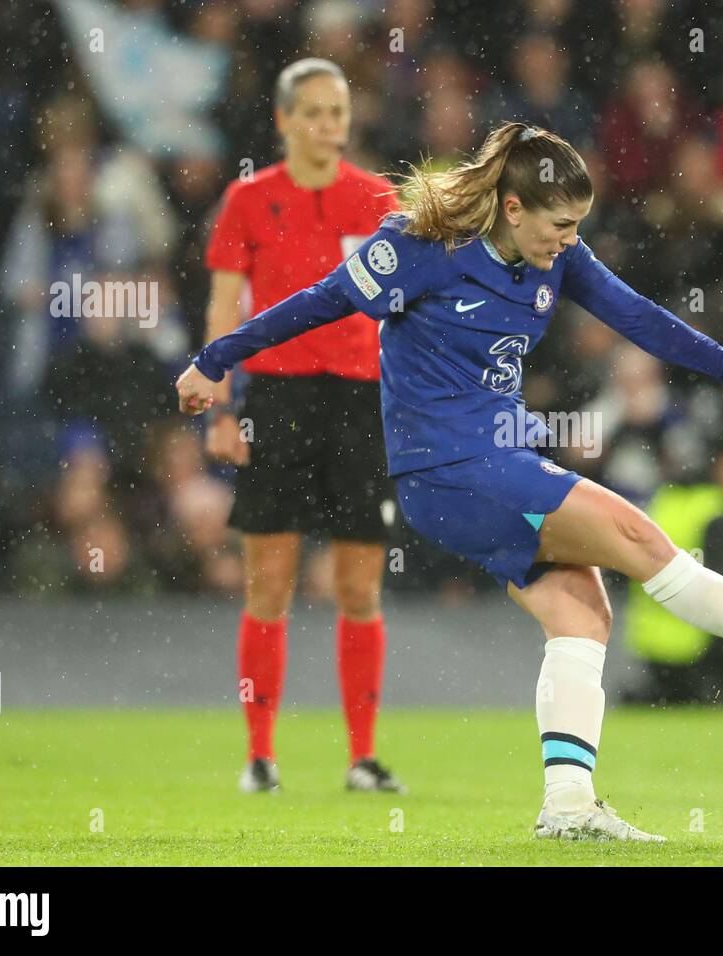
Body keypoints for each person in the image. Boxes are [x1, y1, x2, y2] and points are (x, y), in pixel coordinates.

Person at [176, 122, 723, 842]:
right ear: (512, 207)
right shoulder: (420, 248)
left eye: (577, 225)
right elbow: (319, 302)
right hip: (449, 469)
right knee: (637, 535)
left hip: (491, 467)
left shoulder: (557, 258)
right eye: (559, 223)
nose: (568, 239)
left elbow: (641, 318)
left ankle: (567, 803)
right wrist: (217, 360)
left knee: (583, 610)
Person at [200, 59, 404, 795]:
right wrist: (222, 406)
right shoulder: (249, 200)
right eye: (313, 112)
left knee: (359, 587)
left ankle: (363, 758)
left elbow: (407, 307)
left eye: (338, 111)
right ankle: (260, 756)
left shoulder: (379, 199)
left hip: (360, 402)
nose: (328, 125)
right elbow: (225, 308)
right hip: (276, 401)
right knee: (271, 585)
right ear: (283, 121)